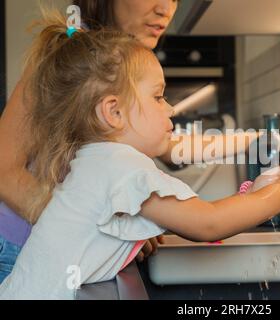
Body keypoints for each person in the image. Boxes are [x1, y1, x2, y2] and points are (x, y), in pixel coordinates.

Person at [0, 11, 280, 299]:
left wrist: (254, 195)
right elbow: (207, 224)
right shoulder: (121, 165)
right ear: (113, 112)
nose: (170, 108)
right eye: (158, 97)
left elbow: (198, 214)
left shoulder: (96, 159)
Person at [0, 0, 261, 282]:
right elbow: (3, 169)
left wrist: (255, 139)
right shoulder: (72, 58)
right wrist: (104, 228)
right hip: (18, 247)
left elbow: (171, 148)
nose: (166, 10)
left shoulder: (123, 61)